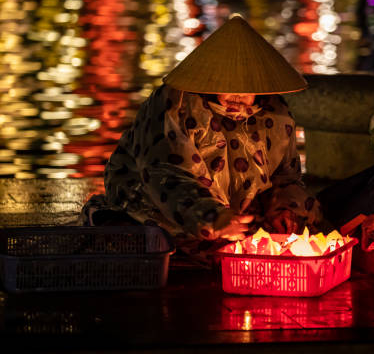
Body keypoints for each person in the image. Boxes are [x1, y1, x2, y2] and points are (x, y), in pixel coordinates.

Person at [82, 15, 326, 251]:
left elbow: (285, 178)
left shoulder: (276, 113)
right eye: (228, 86)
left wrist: (285, 209)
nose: (238, 95)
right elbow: (165, 173)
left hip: (236, 213)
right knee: (151, 240)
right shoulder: (175, 105)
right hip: (164, 205)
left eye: (246, 88)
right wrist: (211, 216)